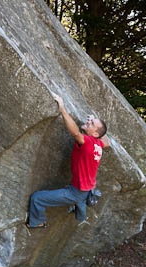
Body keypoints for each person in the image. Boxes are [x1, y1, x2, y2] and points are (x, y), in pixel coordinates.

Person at [26, 93, 109, 228]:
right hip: (86, 188)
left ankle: (38, 222)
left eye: (91, 123)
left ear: (95, 134)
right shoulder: (98, 144)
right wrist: (95, 125)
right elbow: (107, 141)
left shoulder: (87, 142)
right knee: (78, 197)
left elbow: (75, 133)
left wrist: (62, 109)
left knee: (37, 198)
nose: (88, 121)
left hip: (76, 191)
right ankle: (79, 207)